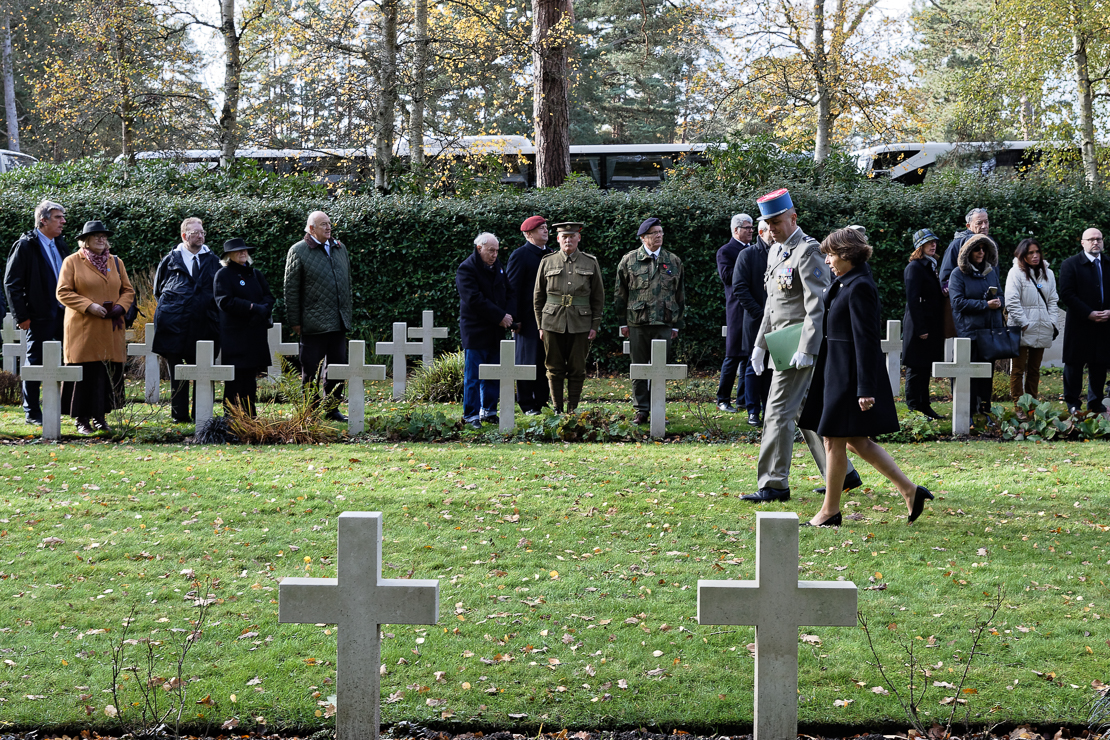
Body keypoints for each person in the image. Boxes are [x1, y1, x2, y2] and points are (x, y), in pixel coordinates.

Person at [799, 227, 932, 527]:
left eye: (831, 255)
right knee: (855, 441)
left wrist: (865, 388)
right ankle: (910, 491)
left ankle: (830, 511)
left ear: (847, 254)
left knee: (833, 439)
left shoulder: (860, 286)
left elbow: (867, 340)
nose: (828, 261)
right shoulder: (845, 281)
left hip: (849, 376)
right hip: (836, 371)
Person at [741, 189, 861, 503]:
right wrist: (759, 346)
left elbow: (817, 304)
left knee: (777, 411)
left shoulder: (807, 251)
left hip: (798, 344)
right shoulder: (775, 252)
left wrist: (807, 348)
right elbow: (772, 305)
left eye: (777, 222)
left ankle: (774, 483)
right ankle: (843, 473)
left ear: (793, 218)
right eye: (768, 223)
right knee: (804, 412)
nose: (771, 228)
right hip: (781, 344)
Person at [55, 221, 135, 435]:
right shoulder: (72, 261)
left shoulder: (116, 262)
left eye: (104, 236)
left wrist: (120, 306)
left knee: (104, 374)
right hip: (84, 328)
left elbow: (128, 290)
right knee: (85, 373)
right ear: (85, 241)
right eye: (96, 236)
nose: (101, 239)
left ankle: (100, 418)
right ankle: (81, 420)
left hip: (110, 328)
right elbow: (63, 292)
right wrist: (89, 306)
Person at [3, 199, 69, 425]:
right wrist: (22, 316)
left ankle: (67, 407)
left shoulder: (60, 244)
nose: (63, 221)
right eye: (58, 217)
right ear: (43, 220)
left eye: (63, 217)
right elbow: (12, 283)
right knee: (36, 362)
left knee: (70, 359)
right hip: (39, 316)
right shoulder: (25, 245)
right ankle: (32, 411)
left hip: (65, 314)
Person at [614, 217, 685, 425]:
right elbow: (620, 293)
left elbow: (680, 294)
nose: (659, 236)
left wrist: (677, 325)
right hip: (638, 323)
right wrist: (622, 323)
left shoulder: (673, 260)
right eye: (654, 233)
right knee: (639, 368)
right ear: (643, 237)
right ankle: (641, 410)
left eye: (661, 232)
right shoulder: (629, 260)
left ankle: (657, 409)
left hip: (664, 322)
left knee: (660, 369)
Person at [283, 211, 352, 422]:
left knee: (338, 367)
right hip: (312, 323)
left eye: (329, 223)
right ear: (311, 228)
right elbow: (291, 290)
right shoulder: (298, 250)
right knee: (310, 370)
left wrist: (346, 313)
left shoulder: (340, 248)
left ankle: (332, 409)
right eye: (323, 224)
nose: (328, 227)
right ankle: (310, 411)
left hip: (338, 320)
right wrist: (295, 321)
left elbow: (347, 282)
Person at [152, 217, 222, 423]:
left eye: (202, 232)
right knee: (177, 371)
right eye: (195, 233)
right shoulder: (170, 260)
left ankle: (201, 415)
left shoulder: (214, 261)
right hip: (175, 325)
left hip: (206, 325)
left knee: (204, 369)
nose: (200, 236)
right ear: (184, 236)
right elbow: (158, 291)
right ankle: (179, 415)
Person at [533, 222, 605, 414]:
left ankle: (572, 408)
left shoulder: (590, 262)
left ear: (578, 238)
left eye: (572, 236)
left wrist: (594, 325)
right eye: (564, 237)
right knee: (553, 367)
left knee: (577, 368)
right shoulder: (547, 261)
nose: (568, 240)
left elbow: (598, 297)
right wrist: (540, 325)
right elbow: (538, 297)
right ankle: (557, 408)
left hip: (581, 323)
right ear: (558, 239)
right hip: (552, 322)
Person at [456, 232, 514, 429]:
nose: (494, 255)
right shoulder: (466, 268)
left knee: (494, 373)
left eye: (497, 251)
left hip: (496, 330)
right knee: (473, 376)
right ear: (479, 248)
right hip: (476, 330)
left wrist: (510, 316)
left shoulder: (497, 267)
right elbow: (474, 299)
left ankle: (489, 411)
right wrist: (500, 316)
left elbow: (508, 291)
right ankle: (471, 415)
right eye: (491, 251)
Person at [214, 238, 273, 418]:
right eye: (238, 251)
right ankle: (232, 417)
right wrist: (252, 307)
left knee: (250, 377)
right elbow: (224, 301)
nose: (243, 253)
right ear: (229, 256)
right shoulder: (223, 275)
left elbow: (268, 297)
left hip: (254, 333)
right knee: (235, 378)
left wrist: (263, 310)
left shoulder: (255, 274)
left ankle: (250, 416)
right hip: (235, 336)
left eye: (245, 250)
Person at [948, 232, 1003, 420]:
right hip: (969, 332)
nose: (981, 252)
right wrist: (985, 305)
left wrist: (999, 301)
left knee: (986, 374)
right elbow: (957, 303)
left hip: (989, 332)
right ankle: (968, 411)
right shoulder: (958, 274)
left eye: (984, 249)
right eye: (976, 249)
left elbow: (1000, 295)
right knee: (968, 374)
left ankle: (984, 410)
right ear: (967, 252)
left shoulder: (990, 273)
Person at [1058, 228, 1110, 415]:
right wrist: (1088, 313)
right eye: (1091, 239)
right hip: (1079, 324)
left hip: (1104, 324)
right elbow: (1066, 294)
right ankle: (1073, 403)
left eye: (1099, 239)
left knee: (1100, 364)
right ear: (1082, 243)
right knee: (1074, 364)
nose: (1096, 242)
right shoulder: (1070, 264)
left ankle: (1095, 403)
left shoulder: (1108, 263)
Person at [506, 215, 553, 415]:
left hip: (549, 318)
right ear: (528, 234)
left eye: (546, 227)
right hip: (527, 319)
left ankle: (542, 401)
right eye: (541, 228)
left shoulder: (551, 254)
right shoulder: (520, 255)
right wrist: (514, 319)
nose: (546, 230)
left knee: (545, 360)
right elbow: (512, 289)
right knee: (527, 360)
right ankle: (527, 403)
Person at [1005, 238, 1059, 406]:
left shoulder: (1048, 273)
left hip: (1042, 326)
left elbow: (1053, 300)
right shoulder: (1015, 272)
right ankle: (1019, 405)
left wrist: (1052, 322)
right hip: (1021, 328)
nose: (1035, 256)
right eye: (1030, 253)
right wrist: (1024, 323)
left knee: (1034, 370)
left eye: (1037, 252)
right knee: (1018, 370)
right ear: (1023, 255)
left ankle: (1032, 406)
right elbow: (1011, 301)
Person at [902, 228, 946, 419]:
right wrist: (920, 328)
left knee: (925, 367)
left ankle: (924, 405)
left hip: (930, 324)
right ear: (919, 247)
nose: (933, 245)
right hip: (918, 325)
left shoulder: (930, 265)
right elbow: (913, 299)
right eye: (929, 242)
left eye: (934, 242)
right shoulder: (915, 267)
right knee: (915, 367)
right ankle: (914, 407)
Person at [733, 219, 773, 426]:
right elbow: (740, 287)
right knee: (753, 366)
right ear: (761, 232)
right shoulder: (747, 255)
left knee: (772, 368)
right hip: (756, 320)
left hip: (778, 322)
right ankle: (752, 411)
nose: (775, 234)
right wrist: (760, 313)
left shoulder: (783, 253)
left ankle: (769, 410)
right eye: (770, 230)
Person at [715, 214, 753, 412]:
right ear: (736, 230)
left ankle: (743, 399)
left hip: (753, 307)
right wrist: (748, 265)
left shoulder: (753, 249)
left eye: (752, 227)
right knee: (733, 355)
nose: (751, 231)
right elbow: (727, 276)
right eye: (747, 228)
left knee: (748, 355)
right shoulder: (726, 251)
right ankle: (723, 398)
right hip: (737, 308)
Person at [939, 208, 990, 289]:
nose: (984, 226)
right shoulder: (957, 244)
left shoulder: (990, 244)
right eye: (979, 223)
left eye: (986, 222)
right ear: (968, 226)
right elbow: (946, 277)